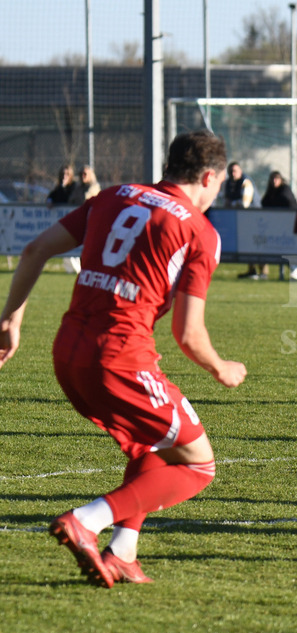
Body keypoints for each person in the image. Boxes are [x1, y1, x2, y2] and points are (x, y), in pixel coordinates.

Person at [0, 129, 247, 587]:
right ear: (210, 177)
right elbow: (188, 334)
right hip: (119, 361)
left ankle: (123, 551)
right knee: (198, 465)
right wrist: (221, 367)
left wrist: (10, 320)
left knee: (157, 443)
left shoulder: (112, 196)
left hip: (66, 354)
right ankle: (88, 520)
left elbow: (34, 250)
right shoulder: (198, 229)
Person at [260, 171, 297, 280]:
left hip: (290, 225)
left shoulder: (285, 190)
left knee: (290, 248)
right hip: (276, 227)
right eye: (273, 178)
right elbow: (264, 203)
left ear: (281, 180)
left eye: (277, 178)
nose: (275, 181)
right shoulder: (270, 192)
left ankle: (295, 269)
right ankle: (266, 272)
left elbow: (286, 202)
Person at [224, 162, 261, 279]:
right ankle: (252, 270)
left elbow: (245, 203)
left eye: (235, 171)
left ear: (240, 171)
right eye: (230, 171)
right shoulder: (229, 183)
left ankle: (263, 272)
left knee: (257, 243)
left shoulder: (246, 182)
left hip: (254, 217)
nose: (232, 174)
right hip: (243, 219)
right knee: (248, 244)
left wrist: (232, 203)